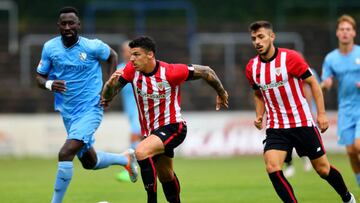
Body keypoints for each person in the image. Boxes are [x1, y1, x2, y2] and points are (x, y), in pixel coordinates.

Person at [101, 36, 228, 203]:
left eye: (136, 54)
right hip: (152, 133)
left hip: (174, 127)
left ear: (150, 55)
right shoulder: (131, 71)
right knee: (166, 176)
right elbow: (106, 97)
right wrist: (110, 84)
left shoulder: (171, 72)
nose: (131, 59)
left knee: (140, 152)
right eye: (131, 55)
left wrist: (221, 92)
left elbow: (206, 71)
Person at [35, 7, 138, 203]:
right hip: (68, 112)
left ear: (78, 25)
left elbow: (112, 56)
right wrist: (49, 84)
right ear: (58, 26)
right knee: (89, 162)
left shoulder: (92, 46)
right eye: (63, 24)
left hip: (91, 109)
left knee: (65, 153)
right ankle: (125, 159)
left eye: (71, 23)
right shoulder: (50, 48)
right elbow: (39, 77)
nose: (67, 27)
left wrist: (109, 89)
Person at [245, 20, 355, 203]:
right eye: (254, 38)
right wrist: (259, 114)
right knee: (272, 167)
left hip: (302, 122)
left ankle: (347, 197)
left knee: (323, 169)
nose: (257, 41)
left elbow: (312, 83)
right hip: (276, 127)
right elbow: (258, 93)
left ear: (272, 37)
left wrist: (321, 114)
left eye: (261, 37)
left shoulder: (290, 58)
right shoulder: (252, 67)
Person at [321, 14, 360, 186]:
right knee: (351, 151)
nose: (345, 32)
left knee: (359, 146)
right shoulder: (331, 58)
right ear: (337, 33)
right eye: (342, 29)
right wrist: (326, 84)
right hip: (345, 108)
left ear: (354, 33)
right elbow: (323, 84)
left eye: (348, 29)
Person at [283, 68, 319, 177]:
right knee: (287, 140)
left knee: (301, 139)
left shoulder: (304, 71)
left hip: (300, 112)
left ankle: (306, 159)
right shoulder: (281, 71)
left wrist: (309, 109)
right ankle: (289, 165)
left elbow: (308, 89)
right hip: (284, 113)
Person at [115, 40, 142, 182]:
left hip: (140, 110)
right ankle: (144, 167)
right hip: (130, 111)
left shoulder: (141, 68)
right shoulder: (120, 68)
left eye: (130, 50)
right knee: (141, 139)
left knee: (135, 137)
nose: (128, 53)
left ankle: (131, 168)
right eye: (125, 50)